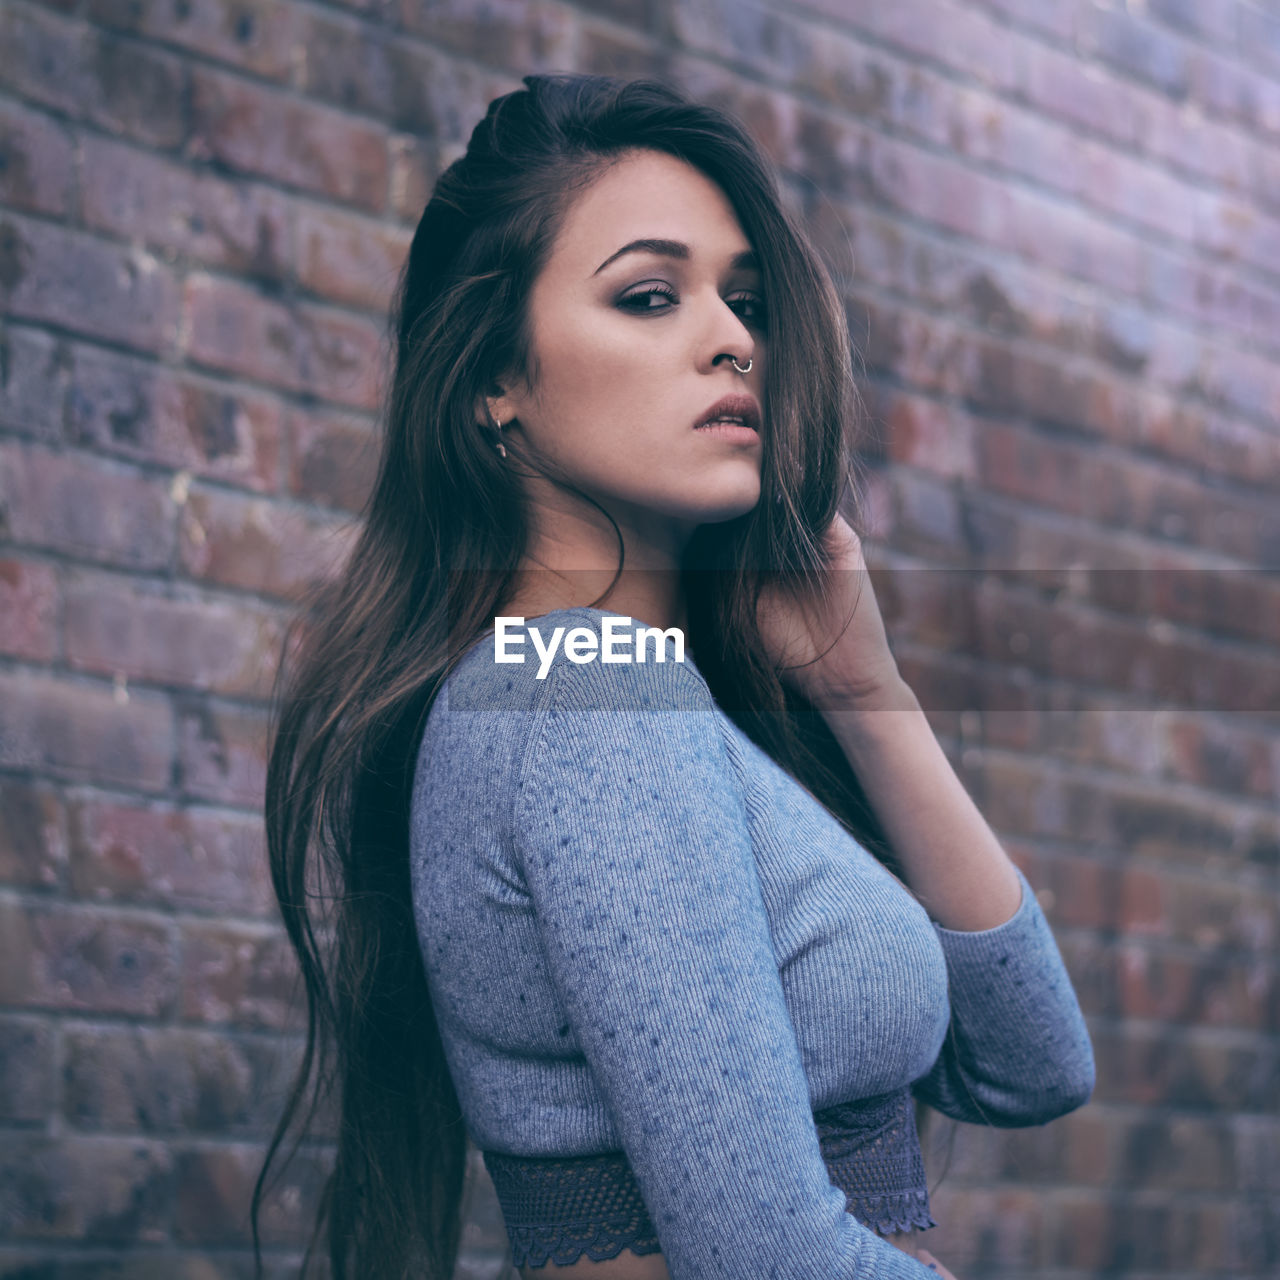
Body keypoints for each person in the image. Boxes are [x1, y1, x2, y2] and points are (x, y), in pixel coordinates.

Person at [253, 73, 1095, 1280]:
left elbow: (1031, 1062)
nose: (734, 337)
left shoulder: (643, 699)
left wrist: (864, 693)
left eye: (741, 298)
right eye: (650, 296)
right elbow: (762, 1253)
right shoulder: (589, 696)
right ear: (495, 380)